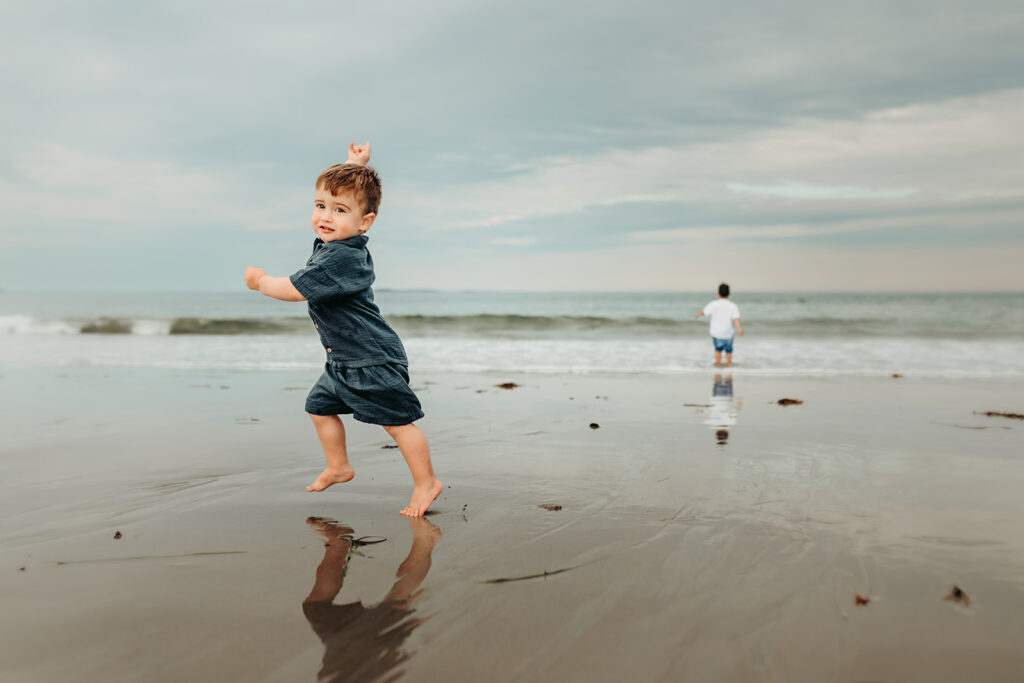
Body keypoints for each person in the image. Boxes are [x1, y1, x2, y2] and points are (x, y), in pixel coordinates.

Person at [244, 142, 442, 517]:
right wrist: (354, 165)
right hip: (342, 360)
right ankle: (339, 467)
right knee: (319, 407)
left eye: (340, 210)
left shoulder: (341, 258)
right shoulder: (335, 245)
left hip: (369, 359)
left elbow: (293, 290)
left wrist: (261, 281)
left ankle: (426, 482)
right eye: (321, 206)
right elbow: (346, 194)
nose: (327, 216)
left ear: (364, 222)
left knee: (399, 425)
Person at [695, 283, 744, 367]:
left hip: (717, 333)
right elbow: (736, 319)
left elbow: (704, 312)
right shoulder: (732, 306)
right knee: (729, 351)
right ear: (729, 294)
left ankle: (718, 366)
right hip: (728, 333)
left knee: (718, 350)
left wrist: (698, 314)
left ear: (718, 294)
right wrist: (739, 329)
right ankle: (729, 366)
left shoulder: (713, 304)